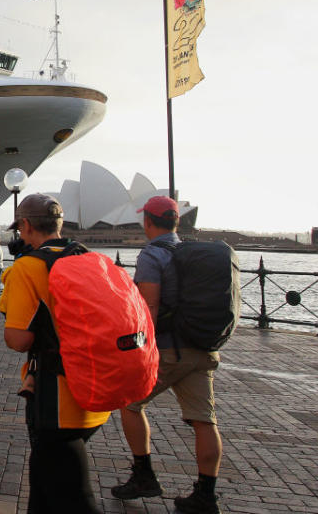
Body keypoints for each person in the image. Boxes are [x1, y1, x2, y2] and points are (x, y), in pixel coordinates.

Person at [0, 193, 109, 513]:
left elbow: (18, 340)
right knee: (44, 485)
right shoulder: (87, 256)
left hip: (56, 394)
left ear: (27, 225)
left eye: (19, 229)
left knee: (73, 497)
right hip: (96, 385)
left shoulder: (28, 267)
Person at [111, 196, 223, 514]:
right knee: (205, 420)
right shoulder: (192, 252)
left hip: (170, 349)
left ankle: (144, 475)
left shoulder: (153, 255)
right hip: (203, 347)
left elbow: (150, 306)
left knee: (130, 403)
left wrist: (139, 347)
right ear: (176, 222)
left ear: (148, 221)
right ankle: (205, 494)